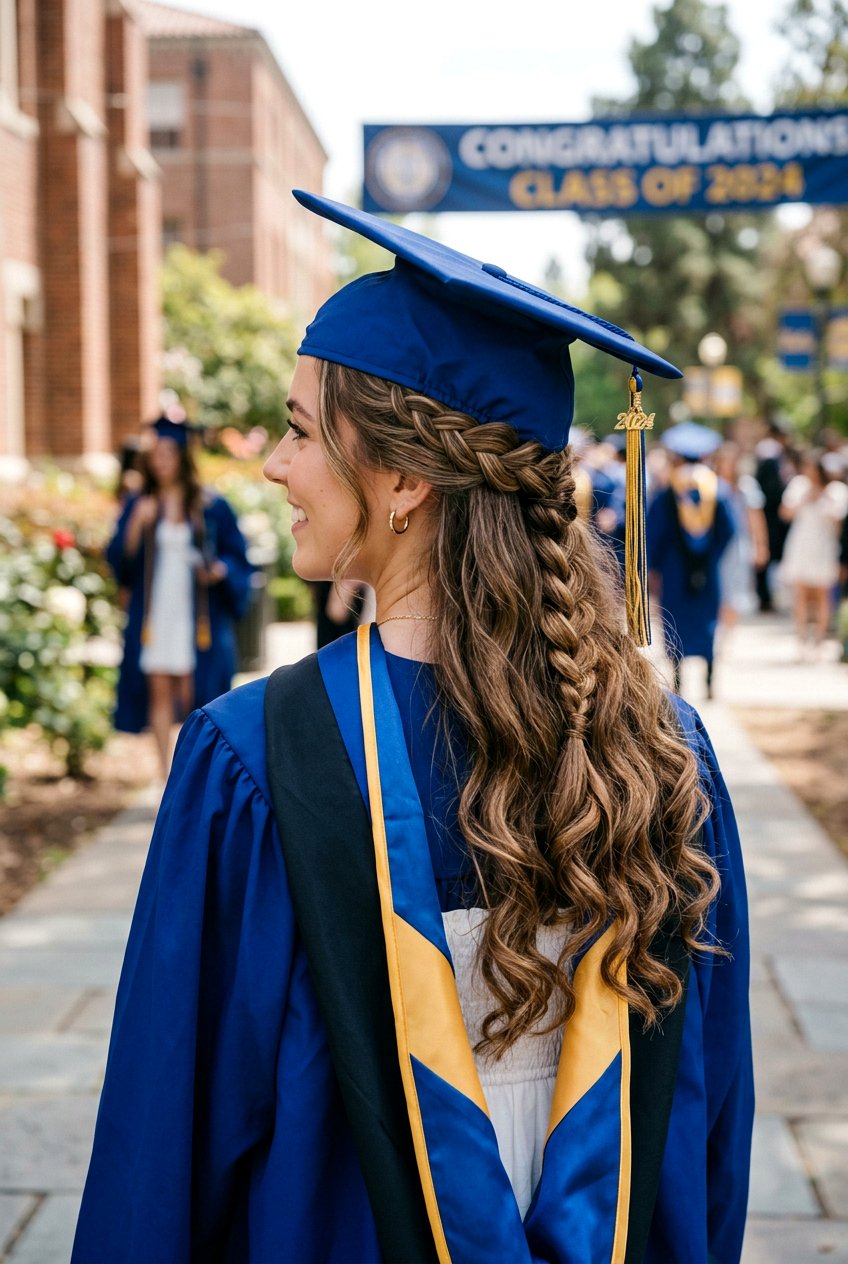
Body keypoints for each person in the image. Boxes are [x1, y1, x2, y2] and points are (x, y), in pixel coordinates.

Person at [73, 193, 753, 1264]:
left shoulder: (256, 759)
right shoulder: (658, 746)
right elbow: (712, 1129)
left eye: (298, 430)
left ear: (400, 478)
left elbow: (167, 1149)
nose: (272, 466)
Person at [106, 414, 254, 780]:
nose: (161, 461)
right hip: (155, 610)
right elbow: (118, 561)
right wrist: (135, 528)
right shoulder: (141, 504)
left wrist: (219, 571)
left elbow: (238, 559)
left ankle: (190, 773)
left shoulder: (209, 505)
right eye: (156, 454)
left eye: (169, 453)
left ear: (183, 457)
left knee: (194, 692)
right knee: (158, 691)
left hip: (196, 611)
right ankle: (163, 774)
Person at [647, 421, 737, 700]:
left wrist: (655, 567)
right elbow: (730, 530)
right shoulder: (718, 490)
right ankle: (709, 681)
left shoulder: (667, 492)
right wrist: (711, 556)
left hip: (674, 569)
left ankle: (678, 682)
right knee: (707, 622)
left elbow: (653, 532)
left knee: (675, 623)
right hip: (708, 569)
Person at [778, 449, 848, 660]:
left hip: (824, 547)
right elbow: (785, 513)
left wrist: (823, 499)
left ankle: (819, 640)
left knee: (821, 595)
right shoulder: (798, 485)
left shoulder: (836, 490)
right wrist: (806, 499)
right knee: (799, 594)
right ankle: (801, 640)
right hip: (801, 544)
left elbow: (839, 522)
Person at [713, 441, 769, 643]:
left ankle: (727, 634)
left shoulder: (746, 486)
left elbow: (756, 518)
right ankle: (717, 630)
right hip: (717, 545)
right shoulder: (711, 484)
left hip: (738, 544)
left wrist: (761, 545)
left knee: (735, 590)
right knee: (717, 587)